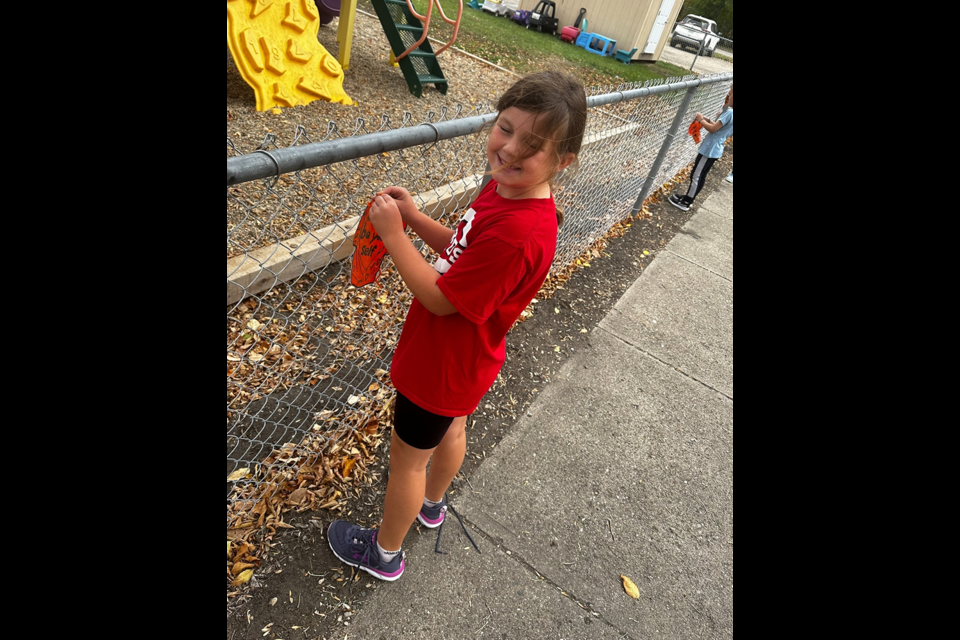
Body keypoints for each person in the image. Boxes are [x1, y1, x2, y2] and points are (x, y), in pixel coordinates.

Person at [327, 71, 588, 582]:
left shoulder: (519, 231)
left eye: (531, 145)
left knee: (407, 458)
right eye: (505, 128)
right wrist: (416, 218)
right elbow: (463, 248)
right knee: (452, 429)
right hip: (468, 363)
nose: (510, 149)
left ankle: (384, 554)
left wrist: (392, 233)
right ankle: (432, 507)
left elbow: (440, 297)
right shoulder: (511, 194)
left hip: (440, 364)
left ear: (563, 161)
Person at [669, 84, 734, 212]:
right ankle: (688, 197)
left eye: (731, 93)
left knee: (696, 175)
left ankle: (686, 202)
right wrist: (707, 119)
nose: (729, 95)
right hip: (715, 149)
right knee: (700, 175)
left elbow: (713, 129)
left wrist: (700, 120)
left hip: (709, 150)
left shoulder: (730, 113)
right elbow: (718, 126)